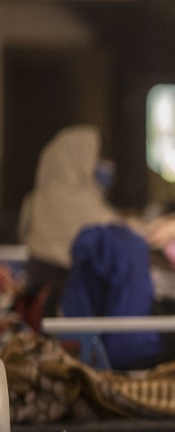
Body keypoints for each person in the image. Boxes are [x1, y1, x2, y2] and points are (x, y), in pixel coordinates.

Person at [17, 124, 119, 326]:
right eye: (98, 157)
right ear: (80, 156)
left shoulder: (36, 198)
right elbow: (122, 232)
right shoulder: (79, 201)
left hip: (35, 295)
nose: (105, 165)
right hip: (65, 302)